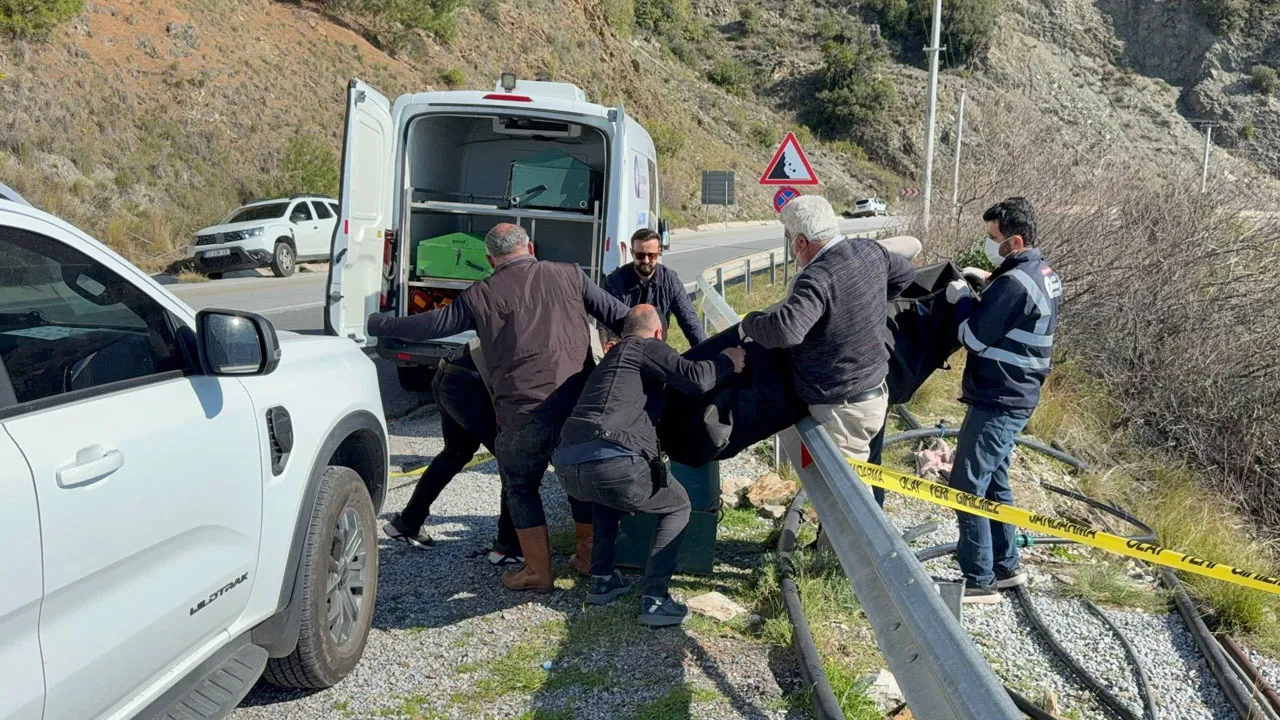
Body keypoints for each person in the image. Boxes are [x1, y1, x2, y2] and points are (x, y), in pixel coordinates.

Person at [368, 223, 631, 593]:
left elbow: (432, 324)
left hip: (523, 410)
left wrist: (382, 324)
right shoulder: (571, 275)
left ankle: (537, 571)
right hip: (577, 405)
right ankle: (587, 559)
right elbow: (623, 317)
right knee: (580, 481)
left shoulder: (481, 294)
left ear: (490, 259)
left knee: (521, 486)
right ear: (531, 246)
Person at [554, 305, 745, 626]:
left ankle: (602, 579)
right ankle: (655, 599)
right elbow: (696, 379)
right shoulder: (645, 347)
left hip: (568, 465)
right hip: (613, 458)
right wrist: (729, 360)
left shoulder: (611, 361)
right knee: (678, 506)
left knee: (606, 496)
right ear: (658, 333)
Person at [739, 195, 916, 473]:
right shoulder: (869, 251)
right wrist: (869, 304)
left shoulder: (816, 278)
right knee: (865, 478)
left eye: (788, 239)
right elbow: (906, 274)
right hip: (875, 391)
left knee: (847, 503)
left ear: (800, 242)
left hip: (842, 410)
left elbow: (785, 330)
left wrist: (750, 322)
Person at [944, 197, 1061, 604]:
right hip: (1017, 392)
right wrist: (987, 279)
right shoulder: (1038, 272)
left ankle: (979, 579)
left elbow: (974, 337)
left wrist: (960, 301)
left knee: (966, 482)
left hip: (1000, 396)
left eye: (994, 238)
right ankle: (1006, 566)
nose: (989, 243)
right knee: (994, 479)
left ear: (1014, 240)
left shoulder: (1015, 284)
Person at [382, 344, 523, 566]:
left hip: (450, 372)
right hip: (473, 384)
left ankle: (408, 522)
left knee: (456, 452)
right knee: (515, 464)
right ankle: (508, 546)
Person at [604, 228, 706, 346]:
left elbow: (690, 322)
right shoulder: (615, 281)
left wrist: (705, 356)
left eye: (651, 255)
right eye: (640, 255)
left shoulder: (670, 281)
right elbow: (606, 324)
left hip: (657, 349)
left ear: (659, 252)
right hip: (624, 348)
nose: (646, 260)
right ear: (632, 254)